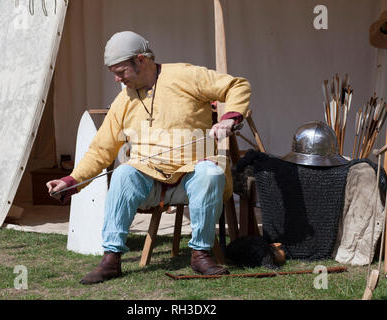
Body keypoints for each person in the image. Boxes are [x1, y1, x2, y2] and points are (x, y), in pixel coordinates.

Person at [46, 31, 251, 285]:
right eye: (114, 72)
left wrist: (229, 117)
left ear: (141, 60)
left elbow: (237, 85)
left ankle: (201, 253)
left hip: (192, 175)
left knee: (211, 172)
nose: (117, 78)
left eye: (121, 71)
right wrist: (71, 180)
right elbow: (101, 149)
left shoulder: (185, 76)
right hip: (149, 182)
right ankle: (111, 258)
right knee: (122, 173)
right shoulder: (123, 100)